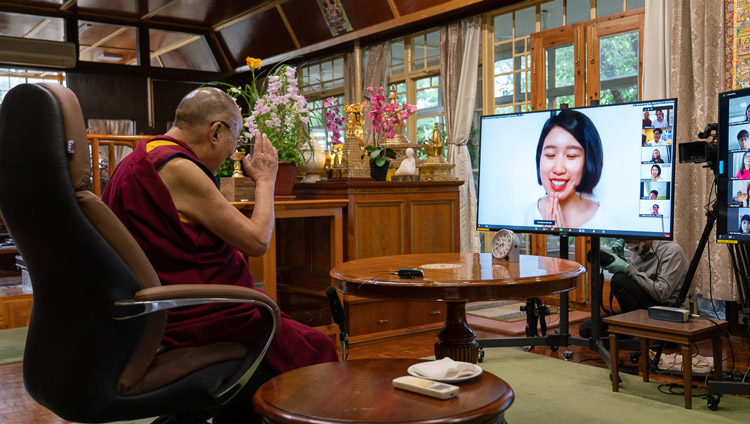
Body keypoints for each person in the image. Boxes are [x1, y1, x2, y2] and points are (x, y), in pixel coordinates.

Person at [102, 88, 337, 421]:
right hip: (192, 315)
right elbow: (257, 241)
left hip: (152, 309)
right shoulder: (178, 168)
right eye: (235, 143)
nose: (232, 156)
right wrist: (266, 181)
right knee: (317, 348)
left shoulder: (138, 157)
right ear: (216, 132)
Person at [515, 109, 608, 229]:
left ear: (588, 161)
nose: (558, 169)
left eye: (571, 156)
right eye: (550, 155)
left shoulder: (605, 220)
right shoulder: (522, 217)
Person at [604, 239, 689, 313]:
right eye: (625, 240)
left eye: (629, 240)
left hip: (669, 309)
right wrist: (621, 260)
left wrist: (628, 267)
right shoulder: (639, 250)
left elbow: (662, 294)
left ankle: (631, 327)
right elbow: (636, 281)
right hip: (647, 304)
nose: (627, 244)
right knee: (593, 324)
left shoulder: (672, 252)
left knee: (619, 280)